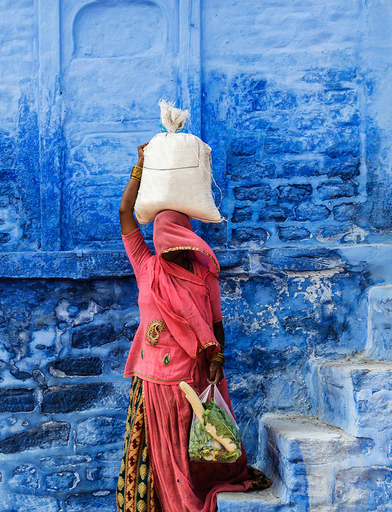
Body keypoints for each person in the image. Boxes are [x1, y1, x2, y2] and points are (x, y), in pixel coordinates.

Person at [116, 143, 271, 512]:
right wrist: (139, 168)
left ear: (186, 237)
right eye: (162, 236)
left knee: (196, 453)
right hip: (153, 385)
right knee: (157, 461)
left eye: (172, 235)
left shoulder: (204, 275)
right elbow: (125, 212)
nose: (166, 243)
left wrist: (218, 360)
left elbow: (216, 325)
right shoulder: (147, 266)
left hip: (194, 381)